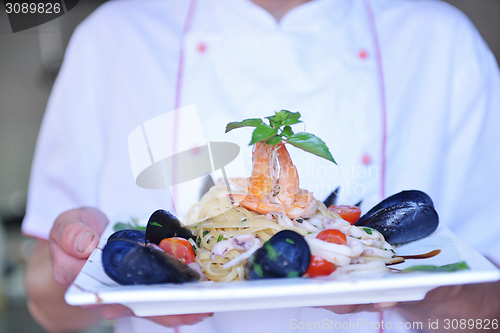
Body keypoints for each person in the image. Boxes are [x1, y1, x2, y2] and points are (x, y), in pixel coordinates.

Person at [23, 0, 500, 332]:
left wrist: (425, 287)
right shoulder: (112, 38)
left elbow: (488, 316)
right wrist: (73, 267)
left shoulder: (441, 39)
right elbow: (47, 308)